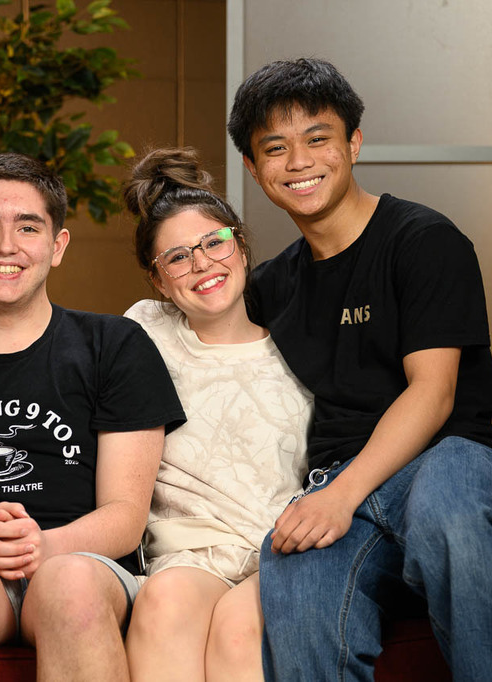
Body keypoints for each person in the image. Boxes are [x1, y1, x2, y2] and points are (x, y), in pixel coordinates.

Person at [227, 57, 492, 680]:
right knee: (293, 564)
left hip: (449, 456)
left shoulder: (423, 241)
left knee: (447, 502)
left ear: (354, 143)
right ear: (254, 168)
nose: (298, 161)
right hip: (344, 482)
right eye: (275, 148)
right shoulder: (269, 288)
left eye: (318, 138)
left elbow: (434, 395)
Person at [0, 152, 185, 682]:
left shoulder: (113, 346)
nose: (6, 246)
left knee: (66, 584)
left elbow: (125, 516)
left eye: (28, 227)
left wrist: (44, 546)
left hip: (83, 560)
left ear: (57, 246)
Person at [120, 148, 311, 682]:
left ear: (242, 246)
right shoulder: (146, 331)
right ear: (158, 281)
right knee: (164, 607)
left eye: (214, 242)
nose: (202, 263)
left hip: (281, 549)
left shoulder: (301, 341)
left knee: (238, 628)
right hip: (189, 549)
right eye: (177, 257)